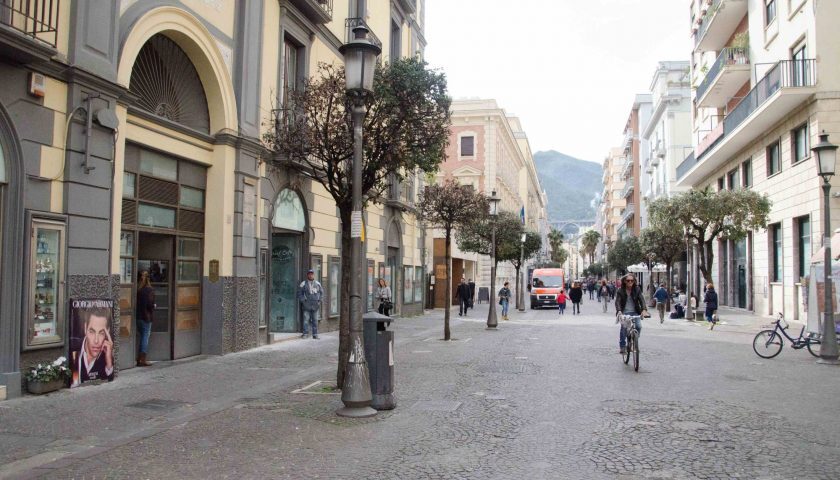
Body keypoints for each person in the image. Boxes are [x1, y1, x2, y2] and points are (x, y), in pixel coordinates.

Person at [74, 307, 115, 385]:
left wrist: (109, 361)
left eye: (101, 333)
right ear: (85, 328)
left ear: (107, 332)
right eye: (92, 332)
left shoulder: (106, 355)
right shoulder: (73, 347)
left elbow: (109, 381)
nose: (96, 341)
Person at [614, 273, 649, 355]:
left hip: (635, 312)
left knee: (639, 326)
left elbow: (642, 300)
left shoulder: (637, 289)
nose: (630, 282)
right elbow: (618, 302)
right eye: (628, 280)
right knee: (624, 329)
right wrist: (619, 311)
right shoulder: (620, 290)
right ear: (625, 281)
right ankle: (622, 346)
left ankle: (634, 342)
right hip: (624, 312)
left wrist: (644, 309)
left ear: (634, 281)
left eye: (632, 280)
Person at [135, 271, 155, 367]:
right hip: (146, 318)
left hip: (138, 317)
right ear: (149, 279)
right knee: (145, 338)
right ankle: (142, 359)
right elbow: (150, 304)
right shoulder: (149, 290)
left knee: (142, 336)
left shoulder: (138, 289)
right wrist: (154, 305)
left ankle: (139, 358)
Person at [298, 269, 324, 339]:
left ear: (313, 275)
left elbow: (321, 293)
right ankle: (305, 334)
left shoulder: (318, 284)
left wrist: (319, 301)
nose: (311, 275)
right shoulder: (303, 283)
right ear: (307, 275)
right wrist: (303, 301)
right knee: (306, 320)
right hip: (307, 305)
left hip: (315, 306)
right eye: (309, 274)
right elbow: (300, 294)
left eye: (312, 274)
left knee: (315, 320)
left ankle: (315, 334)